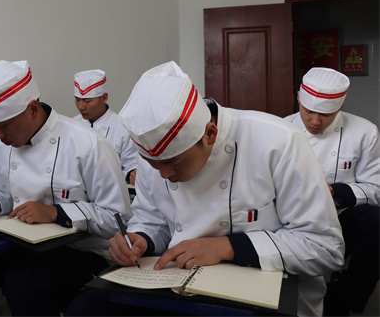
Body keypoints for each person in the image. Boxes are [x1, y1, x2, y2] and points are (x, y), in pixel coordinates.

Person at [66, 61, 344, 317]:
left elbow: (325, 248)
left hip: (266, 296)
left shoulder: (279, 141)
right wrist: (141, 239)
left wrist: (229, 247)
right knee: (85, 308)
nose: (164, 175)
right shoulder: (155, 153)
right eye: (152, 164)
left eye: (174, 162)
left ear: (210, 134)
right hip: (177, 286)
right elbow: (152, 219)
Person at [0, 60, 132, 316]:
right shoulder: (2, 144)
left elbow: (117, 219)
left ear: (32, 109)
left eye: (3, 125)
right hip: (22, 244)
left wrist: (56, 213)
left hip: (83, 252)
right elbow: (0, 191)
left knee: (23, 282)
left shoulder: (88, 144)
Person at [285, 67, 379, 316]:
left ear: (341, 106)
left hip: (342, 215)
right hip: (293, 218)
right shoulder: (281, 129)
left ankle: (345, 296)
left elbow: (377, 189)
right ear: (298, 98)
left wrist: (337, 191)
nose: (315, 121)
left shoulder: (364, 132)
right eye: (308, 111)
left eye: (326, 114)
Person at [73, 69, 138, 185]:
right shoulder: (72, 125)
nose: (81, 107)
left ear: (104, 98)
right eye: (77, 100)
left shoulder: (123, 128)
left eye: (88, 101)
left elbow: (131, 166)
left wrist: (131, 174)